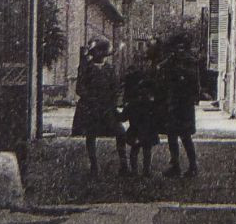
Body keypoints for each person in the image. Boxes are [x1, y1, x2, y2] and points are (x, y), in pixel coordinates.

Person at [71, 37, 126, 176]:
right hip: (91, 108)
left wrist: (113, 101)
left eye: (101, 51)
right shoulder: (86, 68)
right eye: (95, 51)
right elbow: (80, 88)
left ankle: (124, 165)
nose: (98, 54)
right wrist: (91, 98)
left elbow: (116, 88)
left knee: (120, 133)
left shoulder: (110, 69)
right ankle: (94, 166)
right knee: (91, 135)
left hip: (107, 108)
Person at [158, 33, 201, 178]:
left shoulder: (190, 62)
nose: (179, 50)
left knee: (185, 136)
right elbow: (161, 71)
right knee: (172, 135)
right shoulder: (171, 61)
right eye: (177, 47)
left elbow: (194, 84)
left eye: (182, 47)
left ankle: (193, 165)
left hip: (184, 104)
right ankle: (175, 165)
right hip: (173, 103)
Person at [119, 44, 162, 177]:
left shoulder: (135, 104)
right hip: (144, 130)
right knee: (142, 150)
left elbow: (123, 116)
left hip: (138, 130)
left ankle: (138, 170)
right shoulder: (145, 104)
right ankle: (143, 170)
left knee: (137, 149)